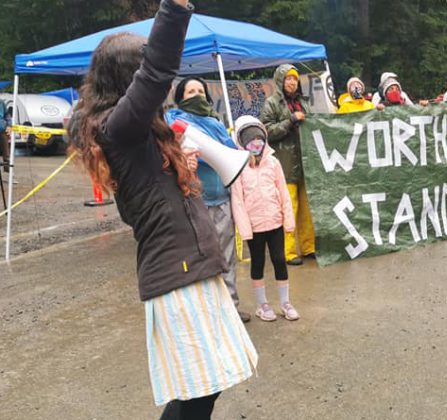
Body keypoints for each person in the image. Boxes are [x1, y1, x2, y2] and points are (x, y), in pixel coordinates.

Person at [67, 1, 258, 417]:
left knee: (207, 386)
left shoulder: (136, 134)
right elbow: (155, 72)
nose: (161, 87)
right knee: (198, 390)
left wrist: (178, 173)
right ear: (125, 80)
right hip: (177, 274)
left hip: (191, 267)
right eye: (139, 76)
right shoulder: (118, 128)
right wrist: (175, 9)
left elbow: (139, 202)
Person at [164, 76, 251, 322]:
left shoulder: (216, 123)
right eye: (190, 91)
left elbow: (228, 154)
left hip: (220, 198)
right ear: (180, 98)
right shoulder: (173, 124)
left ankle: (230, 308)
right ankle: (205, 313)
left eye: (200, 90)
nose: (197, 95)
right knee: (199, 259)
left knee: (226, 257)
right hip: (193, 201)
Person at [231, 116, 300, 322]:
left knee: (280, 260)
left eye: (260, 139)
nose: (256, 144)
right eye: (252, 140)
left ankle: (285, 302)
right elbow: (237, 200)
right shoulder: (239, 166)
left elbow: (283, 193)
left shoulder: (274, 162)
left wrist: (288, 221)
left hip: (275, 222)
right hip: (254, 226)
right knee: (258, 262)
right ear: (243, 142)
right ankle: (262, 304)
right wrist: (244, 230)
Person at [260, 64, 315, 265]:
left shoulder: (304, 102)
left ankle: (309, 247)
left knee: (307, 209)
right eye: (288, 78)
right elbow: (266, 131)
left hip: (306, 162)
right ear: (281, 80)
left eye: (295, 78)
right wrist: (290, 120)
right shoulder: (271, 103)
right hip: (284, 162)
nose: (292, 82)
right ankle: (288, 251)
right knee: (289, 208)